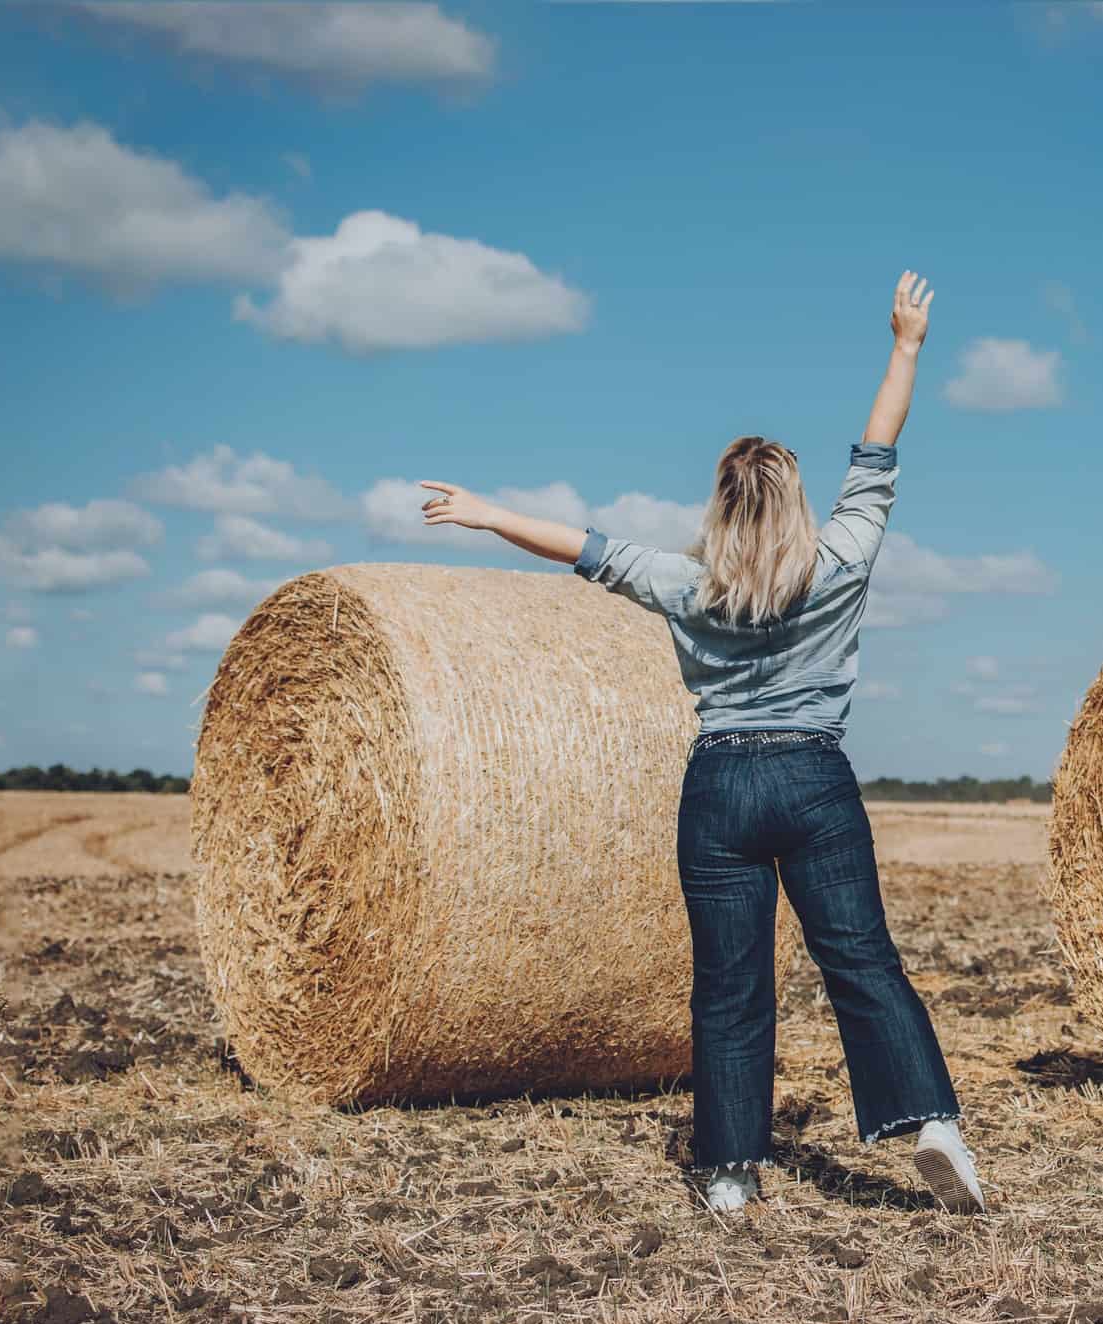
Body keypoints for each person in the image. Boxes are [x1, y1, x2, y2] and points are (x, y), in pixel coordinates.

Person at [416, 271, 983, 1216]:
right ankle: (926, 1119)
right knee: (862, 961)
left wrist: (487, 512)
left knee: (730, 985)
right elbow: (877, 448)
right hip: (814, 778)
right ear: (794, 503)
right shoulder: (840, 557)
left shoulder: (685, 583)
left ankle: (727, 1170)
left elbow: (583, 546)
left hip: (718, 784)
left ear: (720, 505)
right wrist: (907, 345)